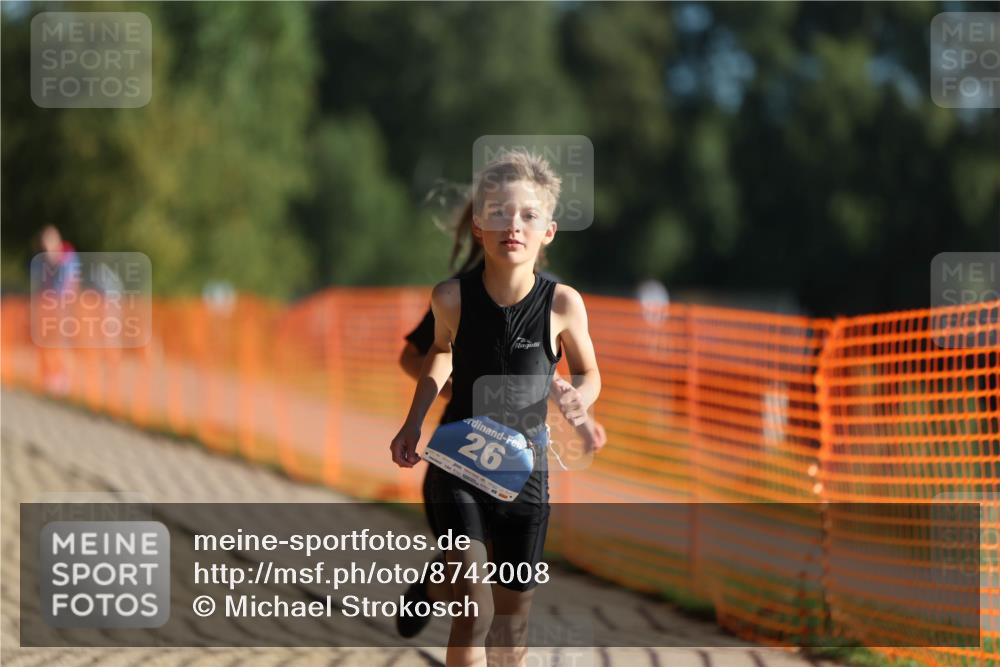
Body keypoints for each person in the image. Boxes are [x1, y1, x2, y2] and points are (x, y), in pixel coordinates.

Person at [390, 151, 602, 666]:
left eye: (529, 215)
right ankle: (451, 582)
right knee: (477, 611)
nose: (515, 224)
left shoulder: (564, 305)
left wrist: (580, 400)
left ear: (549, 231)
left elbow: (588, 374)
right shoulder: (451, 299)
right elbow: (434, 352)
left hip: (526, 473)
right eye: (501, 213)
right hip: (458, 459)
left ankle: (432, 586)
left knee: (510, 623)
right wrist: (414, 422)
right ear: (480, 223)